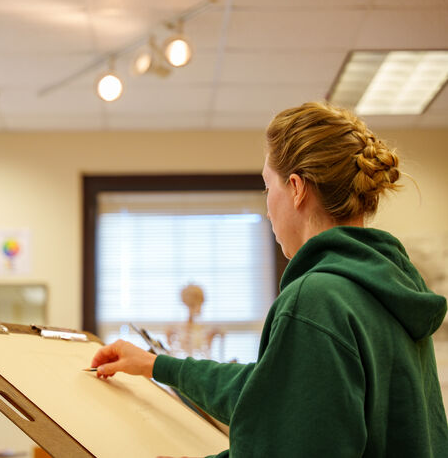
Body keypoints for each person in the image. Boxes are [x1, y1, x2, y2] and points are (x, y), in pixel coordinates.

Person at [91, 101, 448, 457]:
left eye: (267, 188)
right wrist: (156, 365)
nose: (267, 207)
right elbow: (274, 394)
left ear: (296, 188)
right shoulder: (388, 287)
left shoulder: (317, 299)